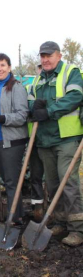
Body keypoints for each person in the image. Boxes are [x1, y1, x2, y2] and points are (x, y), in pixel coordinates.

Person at [28, 41, 83, 246]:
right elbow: (31, 100)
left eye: (49, 55)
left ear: (59, 56)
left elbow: (75, 97)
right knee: (52, 184)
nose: (45, 59)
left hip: (66, 138)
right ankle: (61, 221)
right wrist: (35, 106)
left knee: (68, 183)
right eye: (42, 56)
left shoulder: (71, 72)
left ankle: (78, 229)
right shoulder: (38, 78)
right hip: (44, 139)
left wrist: (48, 110)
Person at [0, 53, 29, 225]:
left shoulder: (16, 87)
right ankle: (17, 213)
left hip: (11, 142)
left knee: (11, 180)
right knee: (7, 180)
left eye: (2, 65)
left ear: (9, 68)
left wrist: (0, 118)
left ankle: (14, 218)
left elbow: (22, 116)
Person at [26, 62, 45, 222]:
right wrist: (33, 108)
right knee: (36, 175)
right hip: (34, 138)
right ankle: (37, 207)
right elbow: (25, 107)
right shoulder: (30, 87)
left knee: (54, 178)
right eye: (39, 68)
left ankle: (53, 207)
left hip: (54, 138)